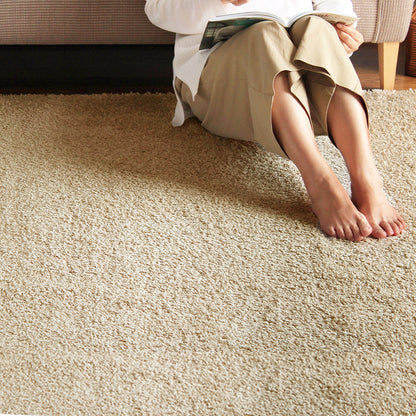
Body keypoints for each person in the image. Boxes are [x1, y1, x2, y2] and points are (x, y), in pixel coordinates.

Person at [145, 0, 406, 242]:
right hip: (219, 88)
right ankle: (321, 183)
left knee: (317, 27)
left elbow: (337, 11)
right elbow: (158, 10)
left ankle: (367, 180)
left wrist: (343, 38)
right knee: (265, 33)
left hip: (306, 93)